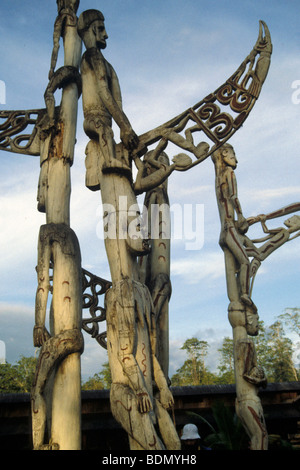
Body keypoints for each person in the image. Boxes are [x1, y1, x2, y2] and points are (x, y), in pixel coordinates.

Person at [78, 9, 139, 173]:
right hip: (93, 120)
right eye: (102, 29)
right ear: (92, 29)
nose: (106, 35)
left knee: (108, 132)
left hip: (110, 126)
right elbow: (104, 93)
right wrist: (125, 127)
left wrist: (123, 129)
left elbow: (117, 101)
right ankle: (110, 160)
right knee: (104, 130)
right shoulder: (92, 55)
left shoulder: (107, 64)